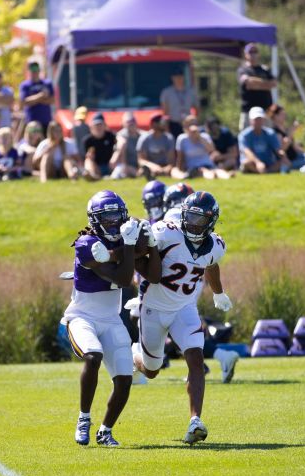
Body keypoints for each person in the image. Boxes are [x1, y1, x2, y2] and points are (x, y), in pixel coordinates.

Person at [133, 192, 236, 441]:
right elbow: (138, 245)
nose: (192, 223)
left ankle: (195, 421)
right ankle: (133, 354)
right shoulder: (166, 232)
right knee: (152, 371)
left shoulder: (217, 245)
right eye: (189, 216)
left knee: (196, 358)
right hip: (153, 309)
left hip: (184, 308)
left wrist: (218, 293)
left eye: (199, 220)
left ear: (211, 222)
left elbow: (211, 265)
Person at [65, 191, 145, 446]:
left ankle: (105, 431)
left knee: (124, 379)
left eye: (116, 215)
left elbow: (146, 247)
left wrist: (126, 248)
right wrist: (128, 249)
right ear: (95, 219)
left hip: (111, 319)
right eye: (106, 216)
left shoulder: (124, 235)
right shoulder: (86, 242)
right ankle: (83, 418)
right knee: (93, 354)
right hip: (82, 317)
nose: (112, 221)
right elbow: (123, 279)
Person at [237, 44, 277, 128]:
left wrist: (256, 83)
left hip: (266, 111)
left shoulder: (265, 69)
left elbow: (273, 84)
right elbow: (248, 84)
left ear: (258, 54)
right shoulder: (243, 70)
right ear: (246, 54)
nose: (253, 54)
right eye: (250, 52)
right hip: (248, 111)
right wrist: (265, 84)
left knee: (267, 138)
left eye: (255, 52)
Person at [238, 107, 285, 174]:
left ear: (263, 120)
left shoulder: (270, 133)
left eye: (260, 119)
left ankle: (265, 171)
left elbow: (277, 149)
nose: (258, 121)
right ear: (250, 120)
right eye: (256, 119)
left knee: (282, 162)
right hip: (252, 162)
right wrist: (258, 162)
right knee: (246, 163)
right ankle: (262, 171)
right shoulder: (244, 135)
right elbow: (247, 151)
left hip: (268, 162)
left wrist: (282, 154)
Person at [136, 114, 176, 178]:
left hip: (165, 167)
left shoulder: (169, 138)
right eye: (163, 122)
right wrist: (153, 167)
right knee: (142, 171)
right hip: (150, 166)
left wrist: (166, 169)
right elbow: (141, 160)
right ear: (154, 124)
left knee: (174, 171)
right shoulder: (144, 138)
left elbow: (171, 160)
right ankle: (151, 175)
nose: (165, 124)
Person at [18, 61, 55, 131]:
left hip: (46, 120)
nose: (34, 73)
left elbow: (52, 100)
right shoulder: (25, 85)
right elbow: (24, 102)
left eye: (36, 70)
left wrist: (34, 100)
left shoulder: (47, 83)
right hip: (31, 121)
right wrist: (41, 96)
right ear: (28, 71)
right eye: (32, 70)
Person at [160, 69, 197, 136]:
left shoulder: (191, 91)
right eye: (176, 77)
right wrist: (166, 126)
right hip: (173, 124)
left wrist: (195, 121)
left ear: (183, 77)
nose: (178, 79)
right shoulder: (167, 92)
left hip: (188, 124)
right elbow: (165, 111)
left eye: (180, 76)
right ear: (172, 78)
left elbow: (197, 108)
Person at [82, 113, 117, 180]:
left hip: (111, 165)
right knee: (88, 161)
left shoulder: (111, 136)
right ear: (92, 127)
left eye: (100, 125)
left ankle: (115, 175)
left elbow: (119, 146)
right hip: (96, 167)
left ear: (104, 125)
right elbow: (84, 157)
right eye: (96, 125)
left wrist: (114, 156)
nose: (98, 127)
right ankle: (93, 176)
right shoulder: (87, 140)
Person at [111, 111, 141, 179]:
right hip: (126, 165)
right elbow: (119, 151)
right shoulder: (121, 135)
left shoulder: (142, 135)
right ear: (123, 124)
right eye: (128, 122)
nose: (131, 124)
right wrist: (124, 166)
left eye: (132, 122)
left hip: (139, 164)